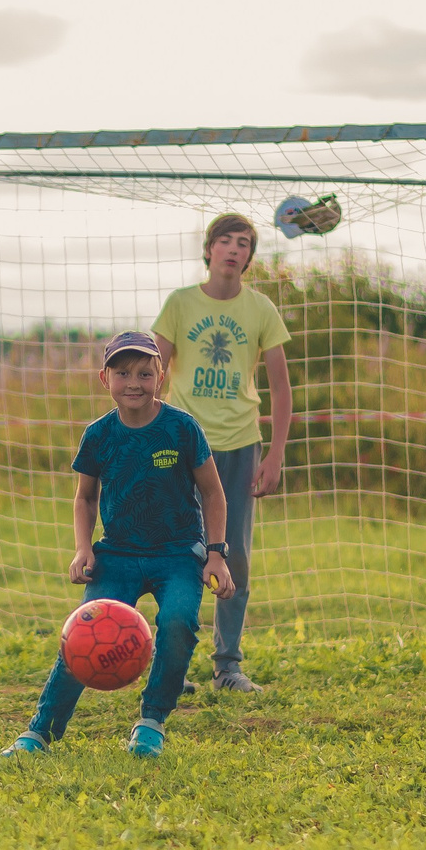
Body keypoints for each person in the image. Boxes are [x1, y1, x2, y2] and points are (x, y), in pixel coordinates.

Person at [5, 331, 235, 759]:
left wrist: (217, 554)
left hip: (179, 553)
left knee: (178, 621)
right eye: (123, 373)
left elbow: (214, 494)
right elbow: (85, 498)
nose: (134, 382)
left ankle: (152, 721)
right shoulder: (98, 435)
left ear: (160, 377)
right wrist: (83, 548)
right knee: (84, 633)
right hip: (119, 554)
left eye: (145, 373)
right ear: (104, 378)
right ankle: (40, 732)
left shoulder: (182, 428)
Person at [153, 212, 292, 692]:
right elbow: (152, 372)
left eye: (244, 244)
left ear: (249, 257)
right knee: (177, 552)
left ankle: (227, 666)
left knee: (233, 554)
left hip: (239, 445)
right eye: (226, 241)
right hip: (184, 443)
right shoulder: (179, 304)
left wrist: (273, 455)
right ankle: (170, 665)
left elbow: (280, 388)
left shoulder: (261, 310)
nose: (234, 249)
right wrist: (149, 437)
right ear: (209, 249)